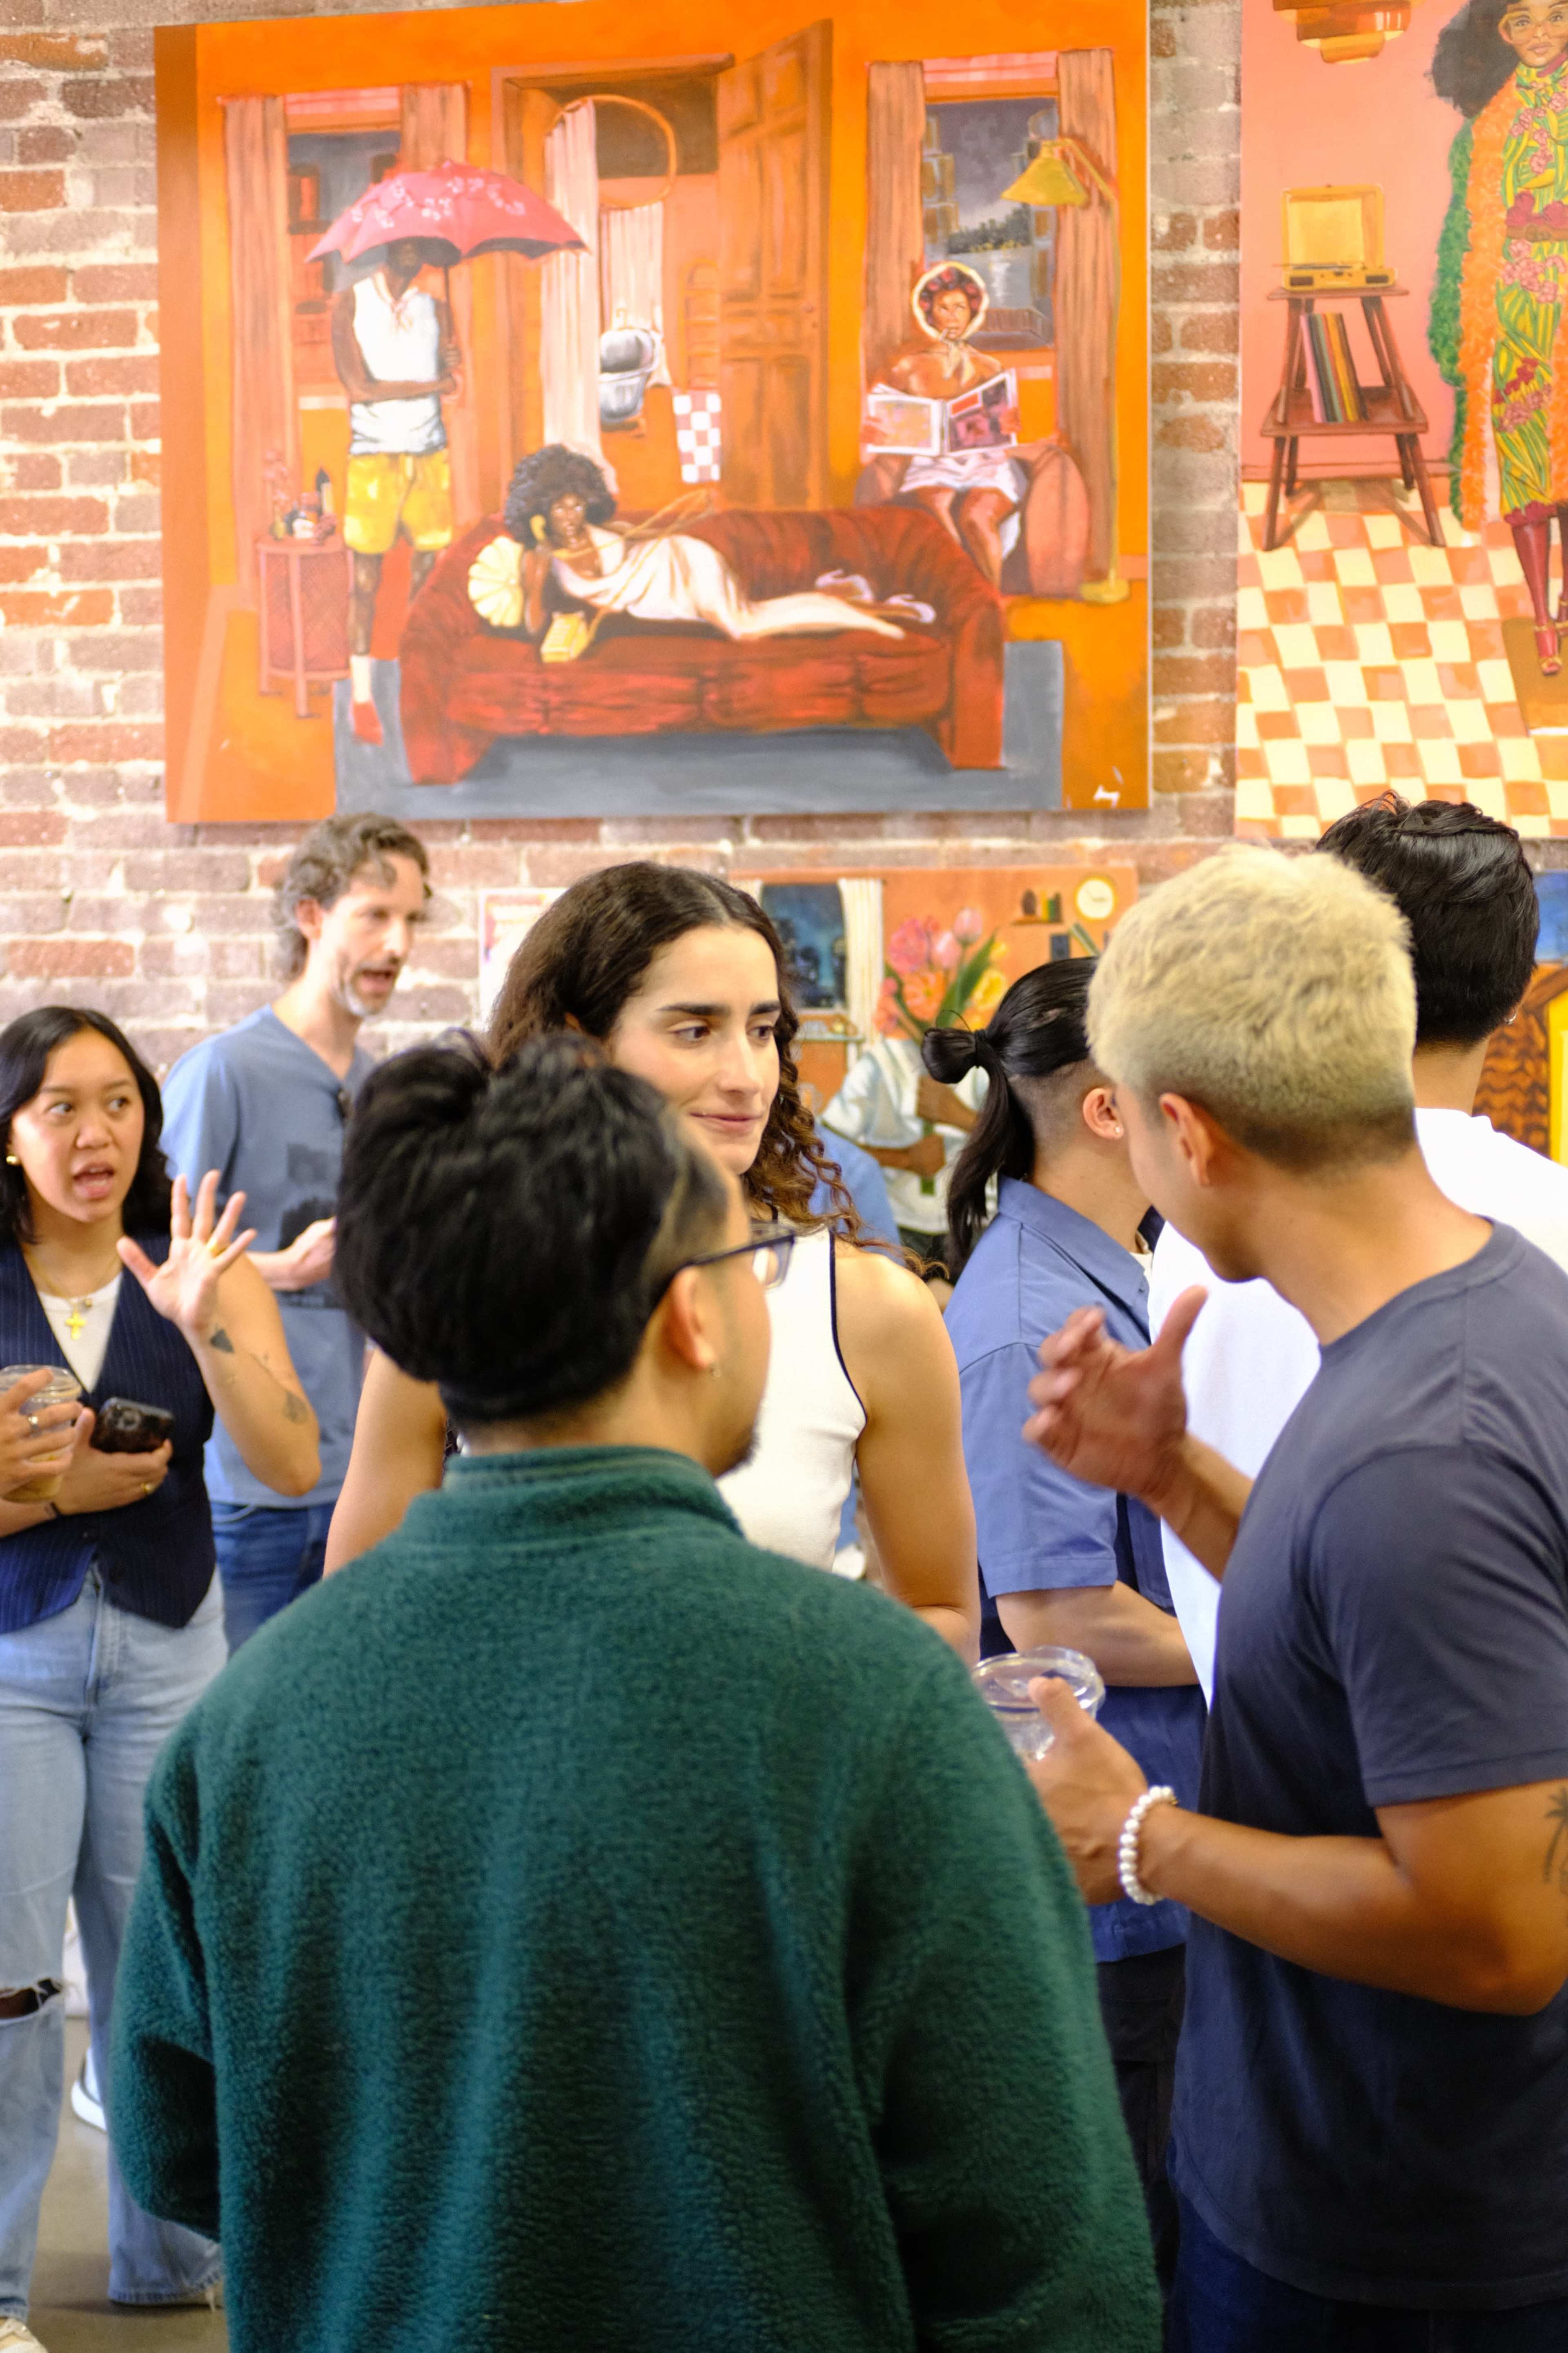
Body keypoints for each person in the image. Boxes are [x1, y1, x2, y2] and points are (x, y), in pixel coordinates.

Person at [111, 1032, 1162, 2353]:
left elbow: (177, 2152)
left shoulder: (250, 1723)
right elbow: (1042, 2243)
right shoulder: (873, 1700)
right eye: (750, 1263)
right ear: (692, 1314)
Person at [1021, 847, 1568, 2345]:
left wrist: (1144, 1836)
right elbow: (1384, 1642)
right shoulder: (1474, 1303)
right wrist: (1174, 1476)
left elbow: (1497, 1928)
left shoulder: (1421, 1445)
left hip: (1400, 2233)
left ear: (1185, 1128)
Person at [325, 863, 980, 1659]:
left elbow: (942, 1613)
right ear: (581, 1045)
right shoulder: (471, 1282)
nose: (745, 1077)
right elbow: (358, 1620)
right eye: (694, 1030)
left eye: (763, 1029)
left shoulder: (871, 1310)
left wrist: (759, 1698)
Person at [0, 1008, 318, 2349]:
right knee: (13, 1986)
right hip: (12, 1656)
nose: (96, 1135)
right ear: (9, 1132)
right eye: (60, 1107)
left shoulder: (203, 1265)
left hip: (170, 1646)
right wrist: (47, 1491)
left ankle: (171, 2262)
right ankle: (1, 2292)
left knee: (165, 1969)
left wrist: (209, 1327)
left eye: (119, 1102)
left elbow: (295, 1463)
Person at [1149, 794, 1568, 1695]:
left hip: (1254, 1732)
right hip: (1502, 1753)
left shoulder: (1207, 1215)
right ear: (1520, 993)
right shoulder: (1550, 1218)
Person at [930, 961, 1203, 2298]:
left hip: (1168, 1831)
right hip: (1112, 1866)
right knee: (1136, 2234)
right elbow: (1055, 1614)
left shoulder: (1119, 1261)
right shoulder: (1032, 1311)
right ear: (1110, 1108)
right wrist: (1260, 1630)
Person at [160, 814, 428, 1655]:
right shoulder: (223, 1071)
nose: (398, 943)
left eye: (413, 920)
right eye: (376, 914)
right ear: (311, 916)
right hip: (249, 1492)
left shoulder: (389, 1091)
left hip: (367, 1480)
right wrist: (276, 1268)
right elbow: (160, 1268)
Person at [1432, 0, 1568, 671]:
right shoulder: (1488, 126)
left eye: (1556, 15)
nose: (1539, 33)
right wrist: (1457, 329)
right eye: (1521, 21)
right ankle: (1541, 618)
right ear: (1498, 33)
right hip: (1514, 314)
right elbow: (1462, 236)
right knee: (1527, 468)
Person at [466, 444, 906, 645]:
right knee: (751, 621)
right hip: (668, 597)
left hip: (685, 567)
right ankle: (862, 610)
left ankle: (872, 625)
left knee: (746, 627)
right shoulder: (542, 558)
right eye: (559, 508)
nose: (571, 515)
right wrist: (535, 578)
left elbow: (646, 552)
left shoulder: (613, 531)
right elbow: (532, 627)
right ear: (541, 510)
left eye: (576, 503)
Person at [332, 236, 461, 742]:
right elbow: (359, 387)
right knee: (366, 580)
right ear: (386, 248)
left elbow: (453, 381)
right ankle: (363, 700)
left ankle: (417, 685)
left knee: (428, 581)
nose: (412, 254)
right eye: (403, 245)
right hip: (374, 456)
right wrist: (434, 384)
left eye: (420, 247)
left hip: (430, 453)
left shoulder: (437, 308)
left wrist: (451, 366)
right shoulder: (352, 302)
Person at [863, 260, 1026, 587]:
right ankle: (960, 592)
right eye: (944, 308)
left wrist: (1011, 423)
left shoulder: (989, 366)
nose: (952, 315)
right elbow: (879, 415)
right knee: (937, 507)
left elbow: (1010, 422)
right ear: (930, 313)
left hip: (984, 461)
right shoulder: (908, 367)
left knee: (977, 518)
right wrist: (874, 431)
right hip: (933, 462)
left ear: (972, 312)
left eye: (960, 308)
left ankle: (990, 600)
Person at [821, 1031, 987, 1269]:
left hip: (974, 1225)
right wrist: (906, 1159)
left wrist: (961, 1116)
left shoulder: (986, 1060)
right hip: (899, 1225)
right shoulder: (879, 1062)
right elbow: (826, 1144)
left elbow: (1029, 1141)